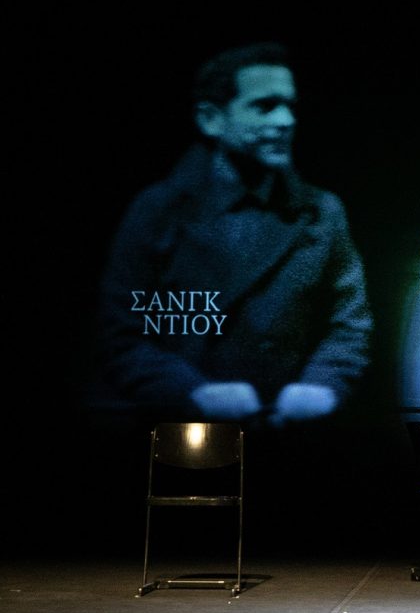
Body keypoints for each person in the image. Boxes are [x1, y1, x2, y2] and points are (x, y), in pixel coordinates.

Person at [95, 41, 373, 429]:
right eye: (264, 106)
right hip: (177, 429)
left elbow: (348, 325)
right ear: (211, 119)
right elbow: (122, 333)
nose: (286, 120)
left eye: (290, 106)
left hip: (285, 432)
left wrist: (322, 385)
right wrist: (192, 392)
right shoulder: (158, 211)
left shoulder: (321, 213)